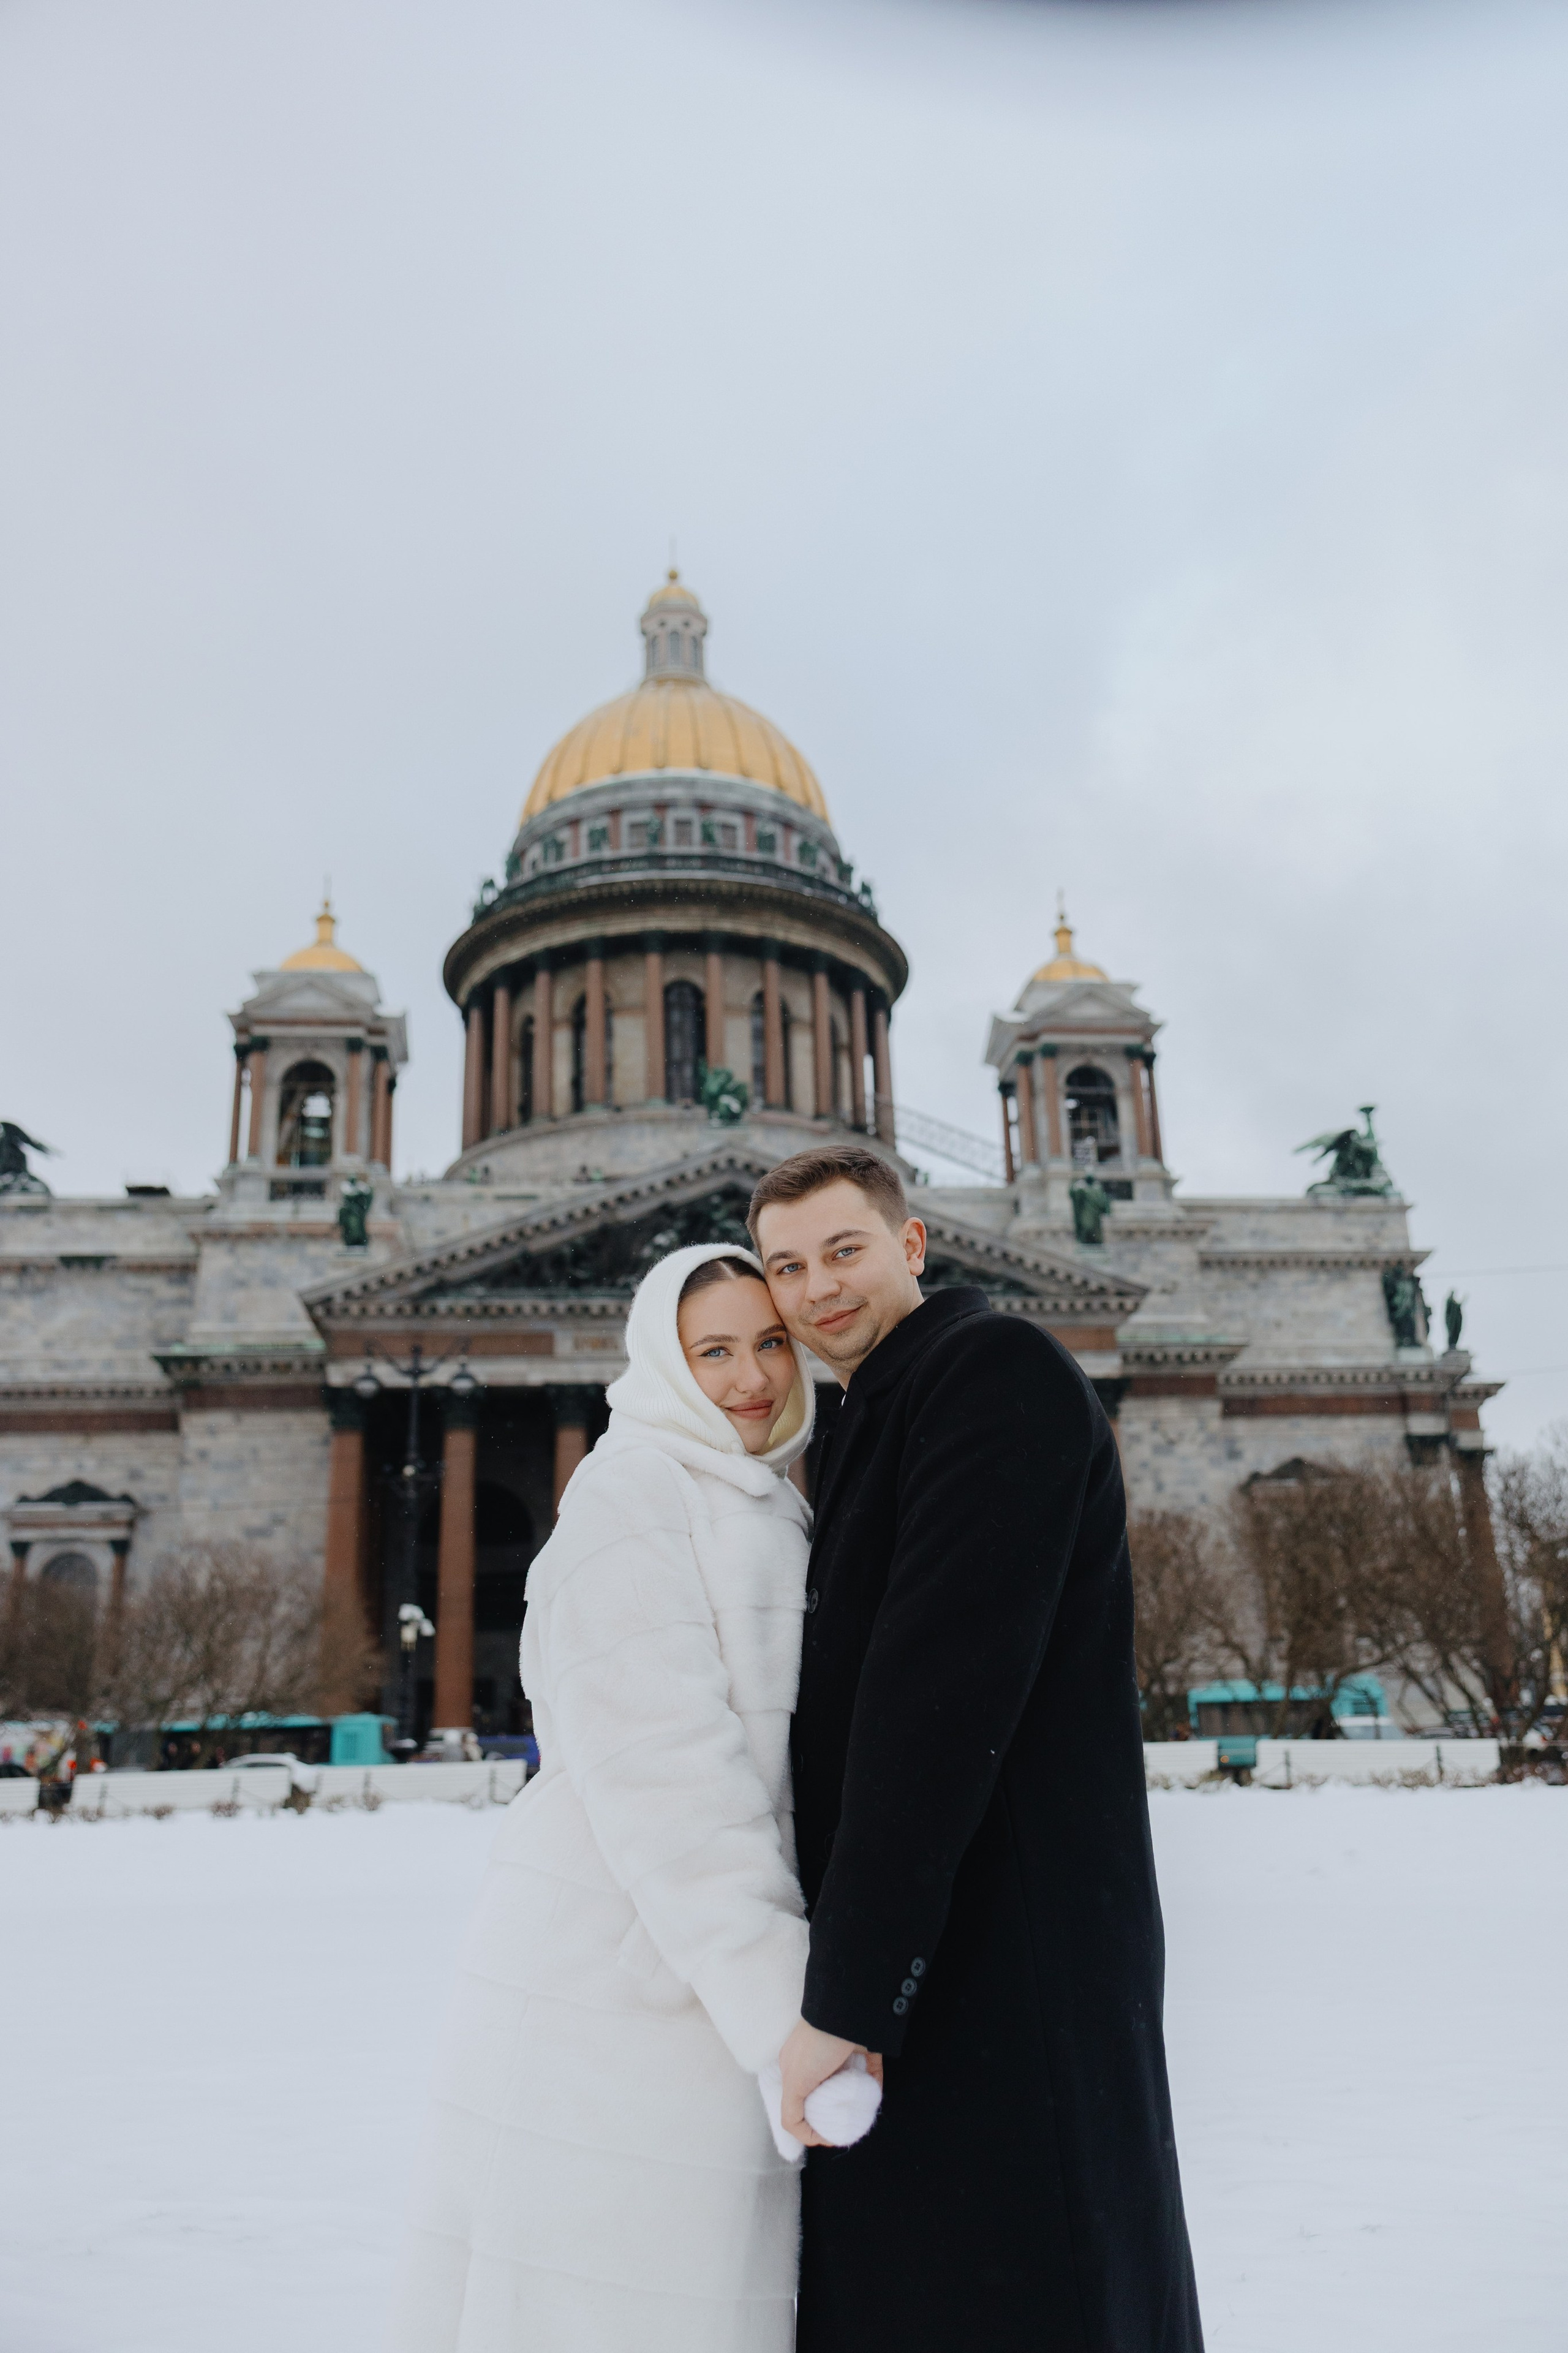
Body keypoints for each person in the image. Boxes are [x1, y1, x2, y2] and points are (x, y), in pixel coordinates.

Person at [750, 1144, 1205, 2353]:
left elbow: (933, 1707)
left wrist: (848, 1995)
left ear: (910, 1245)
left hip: (1004, 1949)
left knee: (1025, 2285)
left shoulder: (988, 1370)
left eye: (842, 1250)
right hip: (941, 1946)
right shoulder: (859, 1420)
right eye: (784, 1266)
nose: (813, 1289)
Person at [391, 1243, 818, 2353]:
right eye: (711, 1351)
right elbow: (665, 1770)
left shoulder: (767, 1493)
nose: (752, 1377)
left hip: (700, 1963)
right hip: (635, 1970)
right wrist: (786, 2017)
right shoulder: (633, 1486)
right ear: (660, 1364)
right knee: (617, 2298)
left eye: (772, 1341)